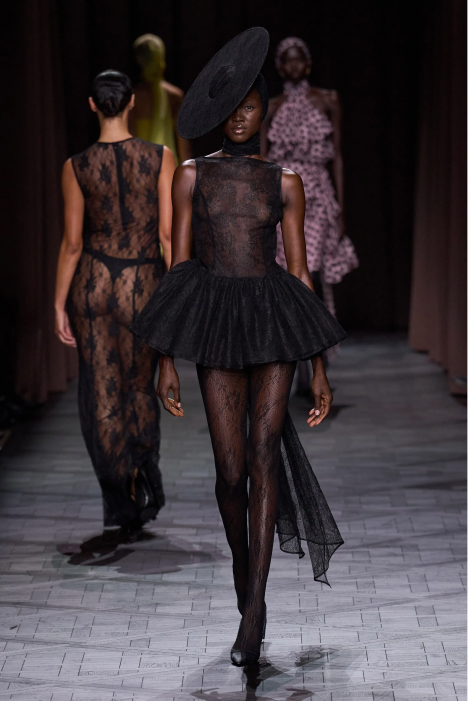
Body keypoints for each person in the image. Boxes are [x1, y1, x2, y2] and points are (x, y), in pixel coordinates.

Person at [132, 29, 344, 666]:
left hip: (274, 320)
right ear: (221, 112)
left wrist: (318, 365)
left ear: (264, 110)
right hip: (216, 321)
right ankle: (242, 575)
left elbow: (300, 274)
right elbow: (179, 264)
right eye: (234, 107)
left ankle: (254, 610)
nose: (243, 115)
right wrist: (165, 358)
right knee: (230, 473)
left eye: (252, 105)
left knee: (262, 455)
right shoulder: (192, 176)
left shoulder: (286, 181)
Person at [54, 70, 176, 540]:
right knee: (138, 386)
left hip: (92, 282)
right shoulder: (161, 158)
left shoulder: (76, 165)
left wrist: (58, 303)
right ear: (131, 103)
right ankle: (140, 482)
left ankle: (120, 493)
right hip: (141, 282)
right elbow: (167, 236)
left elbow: (71, 243)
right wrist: (178, 296)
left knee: (103, 390)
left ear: (91, 105)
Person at [261, 37, 358, 394]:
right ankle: (296, 353)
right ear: (279, 66)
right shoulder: (272, 106)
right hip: (283, 193)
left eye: (299, 58)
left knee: (312, 270)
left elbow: (338, 155)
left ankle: (316, 355)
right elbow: (264, 160)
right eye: (287, 60)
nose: (293, 65)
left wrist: (340, 206)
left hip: (317, 193)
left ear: (308, 63)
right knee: (289, 274)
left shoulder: (327, 99)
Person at [130, 34, 192, 165]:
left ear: (138, 60)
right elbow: (184, 148)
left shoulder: (132, 97)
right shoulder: (174, 96)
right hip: (168, 169)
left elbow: (129, 144)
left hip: (141, 169)